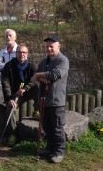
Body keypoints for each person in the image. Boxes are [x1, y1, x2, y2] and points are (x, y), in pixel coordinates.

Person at [31, 35, 69, 163]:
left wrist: (39, 75)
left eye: (51, 46)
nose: (49, 48)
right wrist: (41, 77)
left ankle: (58, 152)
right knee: (47, 128)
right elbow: (34, 79)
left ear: (58, 46)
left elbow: (54, 75)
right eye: (47, 46)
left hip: (57, 101)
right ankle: (49, 149)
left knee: (57, 128)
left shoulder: (63, 61)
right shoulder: (43, 62)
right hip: (44, 100)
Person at [0, 44, 38, 144]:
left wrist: (25, 88)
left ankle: (37, 111)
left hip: (27, 92)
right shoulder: (8, 66)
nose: (22, 54)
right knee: (10, 109)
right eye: (19, 52)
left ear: (27, 54)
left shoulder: (32, 66)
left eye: (24, 52)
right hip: (14, 95)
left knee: (38, 88)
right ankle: (13, 134)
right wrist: (9, 99)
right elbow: (5, 84)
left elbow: (35, 80)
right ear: (16, 53)